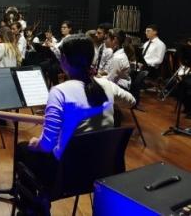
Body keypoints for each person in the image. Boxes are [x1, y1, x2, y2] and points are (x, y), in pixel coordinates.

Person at [16, 34, 135, 215]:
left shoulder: (59, 91)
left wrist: (35, 142)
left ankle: (37, 207)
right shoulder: (106, 85)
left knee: (24, 149)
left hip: (68, 175)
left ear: (64, 60)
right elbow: (131, 101)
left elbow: (47, 145)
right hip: (104, 168)